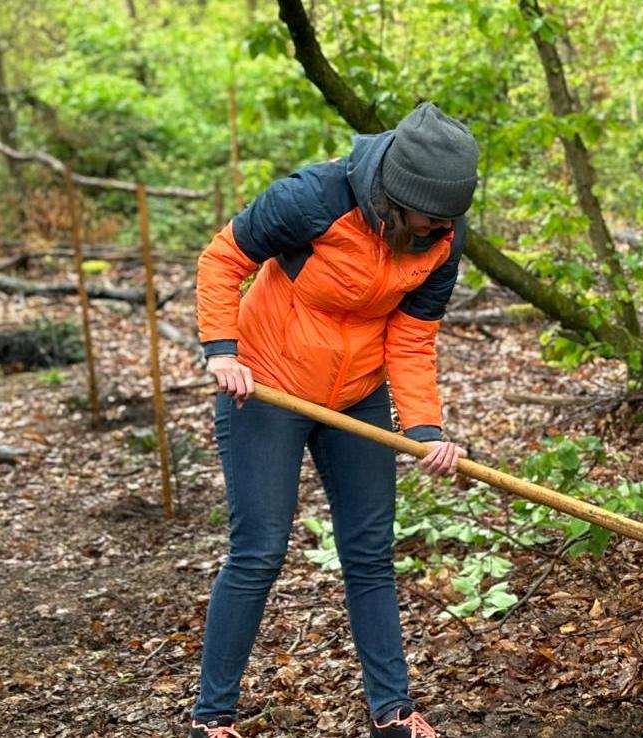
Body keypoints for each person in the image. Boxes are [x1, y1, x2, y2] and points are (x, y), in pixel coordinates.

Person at [189, 101, 477, 738]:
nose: (437, 230)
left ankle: (394, 713)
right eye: (428, 219)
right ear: (397, 196)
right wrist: (222, 349)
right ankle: (211, 720)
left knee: (370, 554)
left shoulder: (446, 239)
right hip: (266, 388)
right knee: (259, 552)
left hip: (357, 396)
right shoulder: (313, 198)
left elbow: (412, 336)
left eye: (447, 221)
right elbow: (222, 258)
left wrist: (424, 430)